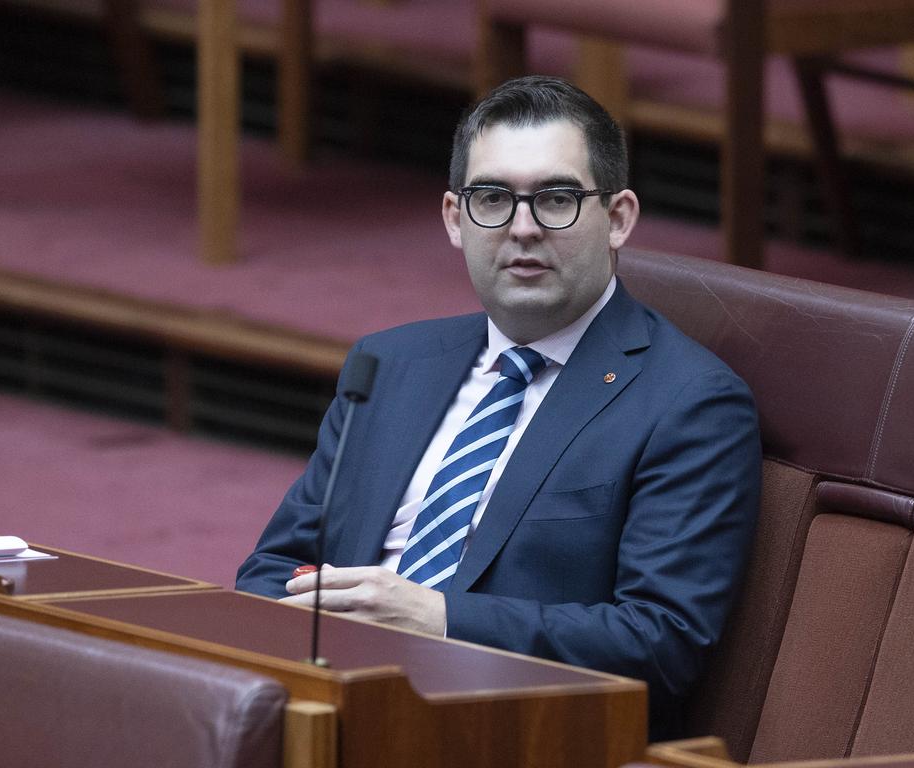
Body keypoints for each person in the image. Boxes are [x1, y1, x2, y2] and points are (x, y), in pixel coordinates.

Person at [236, 75, 761, 738]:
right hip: (334, 710)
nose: (522, 228)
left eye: (557, 199)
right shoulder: (391, 365)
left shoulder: (689, 403)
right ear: (456, 219)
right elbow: (270, 570)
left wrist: (440, 620)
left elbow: (661, 642)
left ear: (620, 218)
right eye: (492, 198)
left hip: (521, 736)